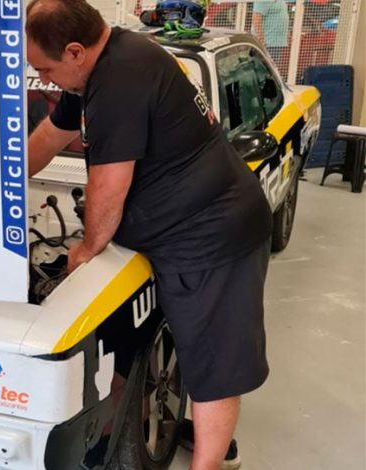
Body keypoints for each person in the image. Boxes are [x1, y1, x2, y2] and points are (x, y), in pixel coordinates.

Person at [25, 1, 273, 469]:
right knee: (173, 344)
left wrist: (87, 249)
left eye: (46, 69)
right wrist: (2, 185)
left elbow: (108, 186)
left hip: (211, 237)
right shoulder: (96, 68)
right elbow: (52, 135)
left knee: (214, 367)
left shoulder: (122, 77)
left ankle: (211, 461)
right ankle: (161, 425)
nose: (44, 80)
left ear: (75, 51)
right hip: (171, 230)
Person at [252, 0, 290, 72]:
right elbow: (256, 17)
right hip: (267, 43)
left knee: (271, 71)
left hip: (275, 43)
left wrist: (286, 33)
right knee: (266, 71)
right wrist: (261, 39)